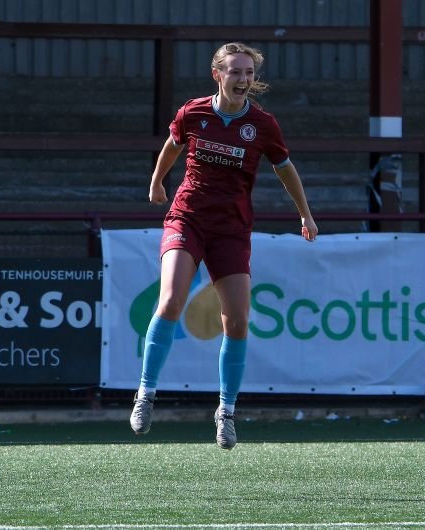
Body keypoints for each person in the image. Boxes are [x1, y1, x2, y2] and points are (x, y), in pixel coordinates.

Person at [129, 42, 318, 449]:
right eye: (236, 72)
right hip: (188, 218)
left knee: (236, 320)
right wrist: (157, 181)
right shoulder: (193, 112)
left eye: (249, 73)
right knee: (171, 301)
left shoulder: (263, 125)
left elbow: (286, 170)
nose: (244, 79)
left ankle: (226, 411)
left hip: (231, 229)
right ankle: (146, 393)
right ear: (218, 74)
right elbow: (173, 144)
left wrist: (304, 213)